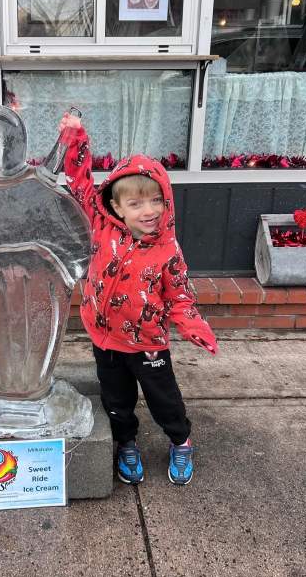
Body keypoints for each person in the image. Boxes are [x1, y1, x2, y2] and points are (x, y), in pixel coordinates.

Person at [58, 112, 218, 486]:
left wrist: (192, 324)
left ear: (165, 201)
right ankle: (126, 442)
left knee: (164, 398)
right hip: (104, 338)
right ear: (116, 208)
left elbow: (180, 296)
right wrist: (75, 137)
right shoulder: (99, 226)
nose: (148, 211)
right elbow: (79, 182)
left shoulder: (167, 250)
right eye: (135, 204)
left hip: (148, 343)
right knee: (117, 399)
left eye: (154, 202)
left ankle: (180, 440)